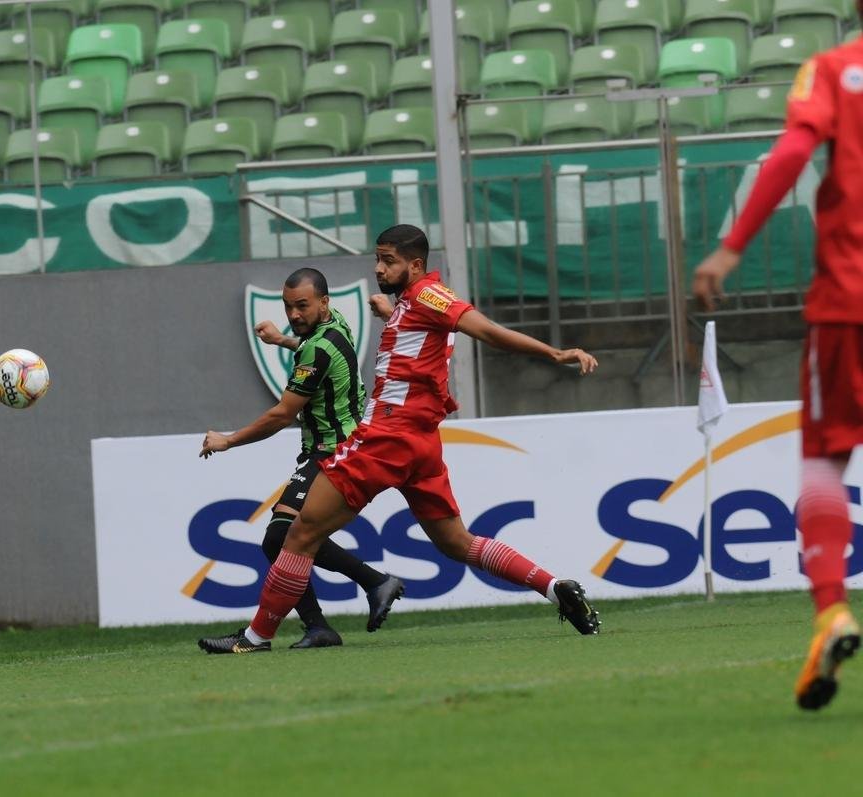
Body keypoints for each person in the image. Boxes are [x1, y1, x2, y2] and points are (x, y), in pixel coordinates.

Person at [199, 225, 602, 654]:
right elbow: (420, 337)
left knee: (298, 534)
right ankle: (554, 587)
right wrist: (387, 314)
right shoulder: (411, 303)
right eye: (378, 259)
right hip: (421, 441)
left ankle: (256, 637)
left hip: (388, 434)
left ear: (415, 264)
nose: (379, 268)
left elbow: (481, 328)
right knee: (455, 543)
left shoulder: (430, 296)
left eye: (388, 260)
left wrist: (554, 353)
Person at [692, 21, 863, 710]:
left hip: (848, 305)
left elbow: (792, 151)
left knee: (823, 462)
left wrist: (731, 248)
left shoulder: (834, 68)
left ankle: (832, 610)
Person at [198, 267, 404, 651]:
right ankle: (336, 612)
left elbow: (281, 415)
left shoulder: (315, 348)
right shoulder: (335, 325)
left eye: (302, 306)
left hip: (333, 452)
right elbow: (320, 351)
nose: (294, 315)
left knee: (281, 537)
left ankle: (348, 600)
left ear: (323, 302)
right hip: (336, 448)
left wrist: (228, 440)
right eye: (288, 307)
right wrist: (283, 341)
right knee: (286, 537)